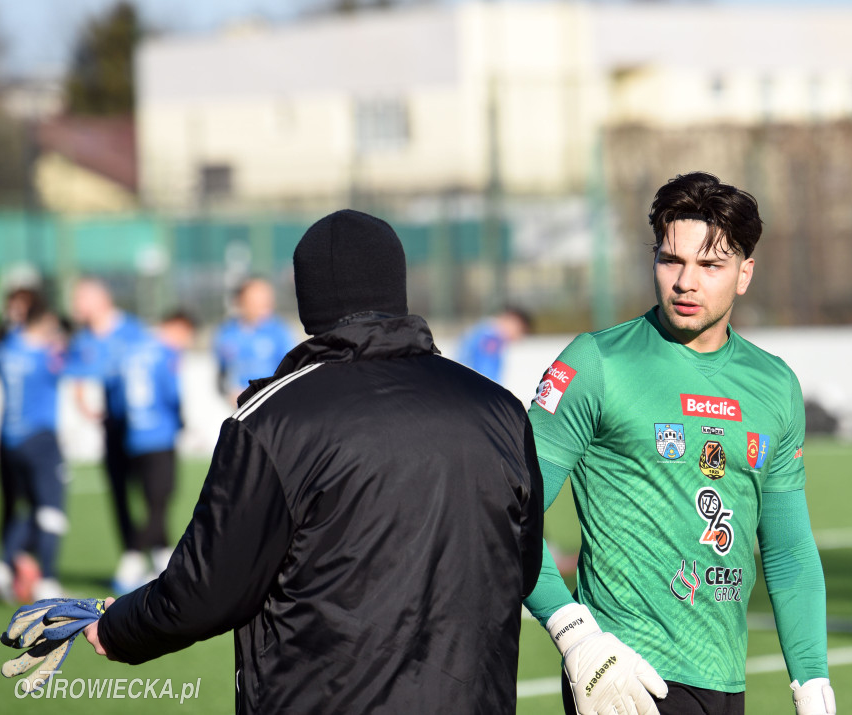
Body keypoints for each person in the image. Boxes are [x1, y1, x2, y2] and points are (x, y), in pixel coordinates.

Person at [83, 209, 544, 713]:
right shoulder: (498, 407)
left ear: (309, 302)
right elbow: (519, 568)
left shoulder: (272, 419)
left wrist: (117, 627)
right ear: (397, 286)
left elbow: (206, 591)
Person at [522, 173, 835, 715]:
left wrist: (812, 685)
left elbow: (788, 552)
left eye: (710, 265)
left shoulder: (775, 386)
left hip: (723, 681)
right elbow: (511, 513)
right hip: (623, 678)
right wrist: (577, 637)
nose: (686, 282)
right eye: (672, 260)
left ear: (744, 274)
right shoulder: (596, 363)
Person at [65, 279, 150, 592]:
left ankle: (153, 552)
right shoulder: (83, 339)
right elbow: (77, 377)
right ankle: (131, 553)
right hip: (111, 427)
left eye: (81, 298)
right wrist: (85, 406)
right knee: (119, 491)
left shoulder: (133, 331)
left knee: (153, 491)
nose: (76, 306)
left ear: (101, 298)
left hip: (141, 428)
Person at [114, 310, 197, 589]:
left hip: (135, 436)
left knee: (153, 501)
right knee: (159, 503)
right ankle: (131, 562)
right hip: (160, 436)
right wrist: (182, 421)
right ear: (176, 326)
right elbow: (171, 393)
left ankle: (163, 562)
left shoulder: (134, 350)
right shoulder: (165, 353)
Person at [0, 298, 67, 602]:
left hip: (11, 441)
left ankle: (2, 568)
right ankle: (47, 579)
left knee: (26, 509)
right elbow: (77, 364)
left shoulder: (6, 349)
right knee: (51, 510)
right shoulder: (46, 354)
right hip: (40, 439)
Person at [213, 277, 293, 405]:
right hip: (239, 409)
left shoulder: (280, 332)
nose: (263, 304)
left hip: (271, 407)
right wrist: (230, 392)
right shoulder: (226, 333)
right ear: (240, 301)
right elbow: (221, 375)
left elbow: (291, 373)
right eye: (255, 299)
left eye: (266, 299)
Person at [457, 306, 532, 384]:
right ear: (511, 321)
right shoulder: (491, 339)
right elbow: (486, 373)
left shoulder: (483, 331)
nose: (518, 337)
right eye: (519, 330)